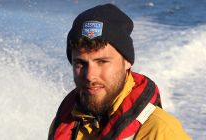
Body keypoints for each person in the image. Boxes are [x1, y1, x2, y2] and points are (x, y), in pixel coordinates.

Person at [48, 3, 191, 140]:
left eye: (102, 62)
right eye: (80, 63)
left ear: (127, 62)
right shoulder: (61, 124)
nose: (90, 76)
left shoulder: (160, 132)